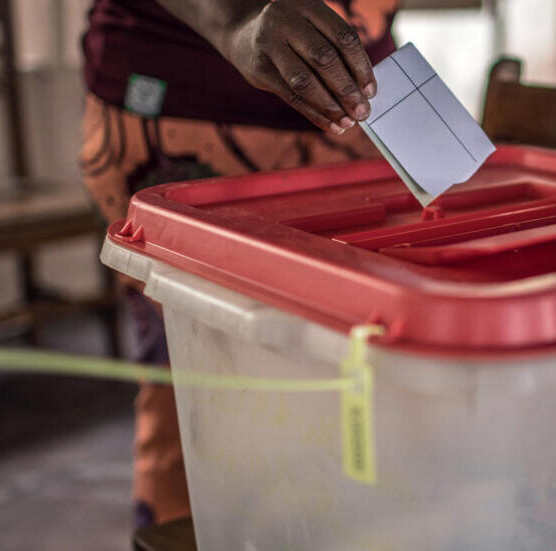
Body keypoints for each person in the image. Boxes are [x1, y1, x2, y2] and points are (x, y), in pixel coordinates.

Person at [80, 0, 398, 528]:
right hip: (180, 113)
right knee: (200, 384)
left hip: (356, 119)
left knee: (352, 392)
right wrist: (233, 17)